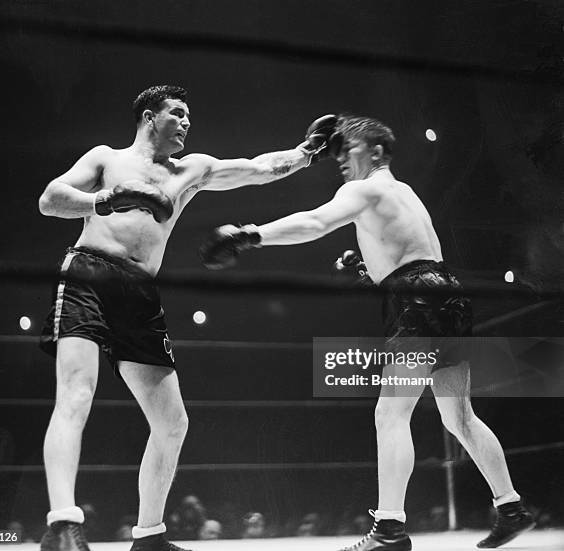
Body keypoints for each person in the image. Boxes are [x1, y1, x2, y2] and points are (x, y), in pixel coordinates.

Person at [199, 115, 536, 550]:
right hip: (446, 297)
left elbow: (316, 223)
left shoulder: (363, 188)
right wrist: (369, 270)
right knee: (459, 417)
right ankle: (511, 507)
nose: (341, 160)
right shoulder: (404, 192)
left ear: (375, 152)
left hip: (416, 303)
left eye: (349, 150)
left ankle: (390, 531)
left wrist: (250, 235)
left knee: (390, 415)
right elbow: (411, 254)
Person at [37, 84, 337, 551]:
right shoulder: (106, 158)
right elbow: (51, 199)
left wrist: (308, 153)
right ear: (149, 117)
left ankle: (149, 537)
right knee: (76, 393)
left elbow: (258, 169)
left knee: (173, 422)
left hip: (140, 292)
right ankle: (63, 524)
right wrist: (109, 197)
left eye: (189, 115)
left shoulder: (191, 170)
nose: (186, 122)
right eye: (177, 113)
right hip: (89, 274)